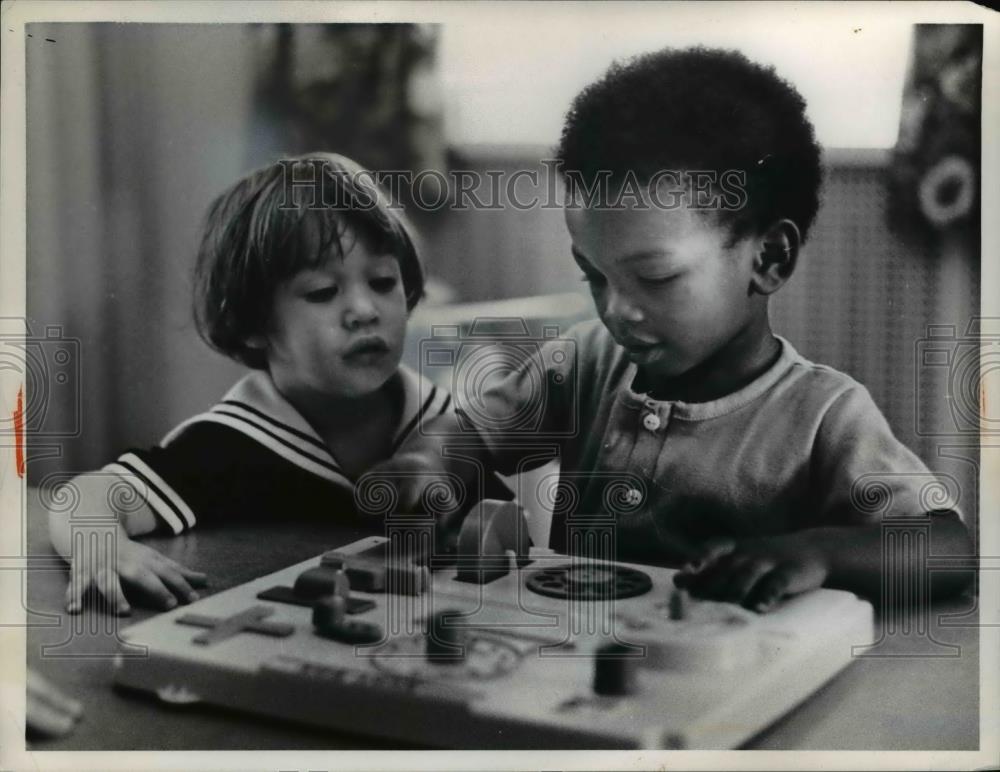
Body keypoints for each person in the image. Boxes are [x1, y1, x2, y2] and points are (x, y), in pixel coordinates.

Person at [376, 47, 973, 611]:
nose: (616, 311)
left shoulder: (824, 416)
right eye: (595, 277)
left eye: (655, 279)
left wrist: (816, 552)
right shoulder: (583, 364)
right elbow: (470, 435)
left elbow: (950, 550)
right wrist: (429, 464)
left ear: (769, 259)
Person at [47, 153, 465, 614]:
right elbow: (84, 495)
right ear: (251, 323)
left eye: (384, 282)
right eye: (324, 292)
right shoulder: (232, 442)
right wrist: (102, 546)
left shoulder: (449, 425)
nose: (365, 310)